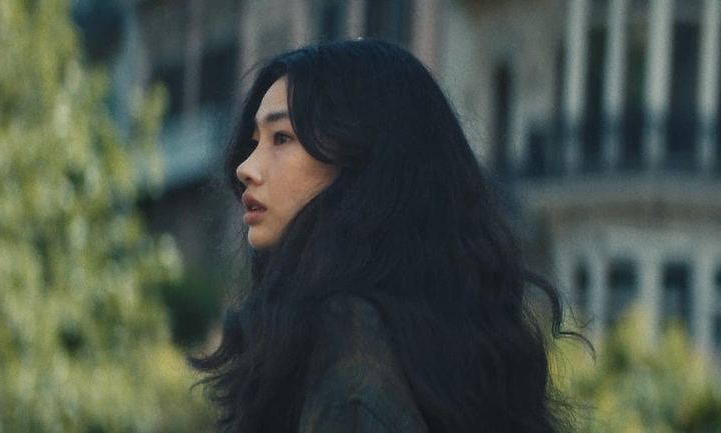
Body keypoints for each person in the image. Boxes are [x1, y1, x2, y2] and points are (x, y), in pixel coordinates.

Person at [189, 39, 584, 433]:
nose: (246, 167)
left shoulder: (349, 346)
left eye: (281, 138)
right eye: (254, 142)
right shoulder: (423, 343)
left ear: (364, 162)